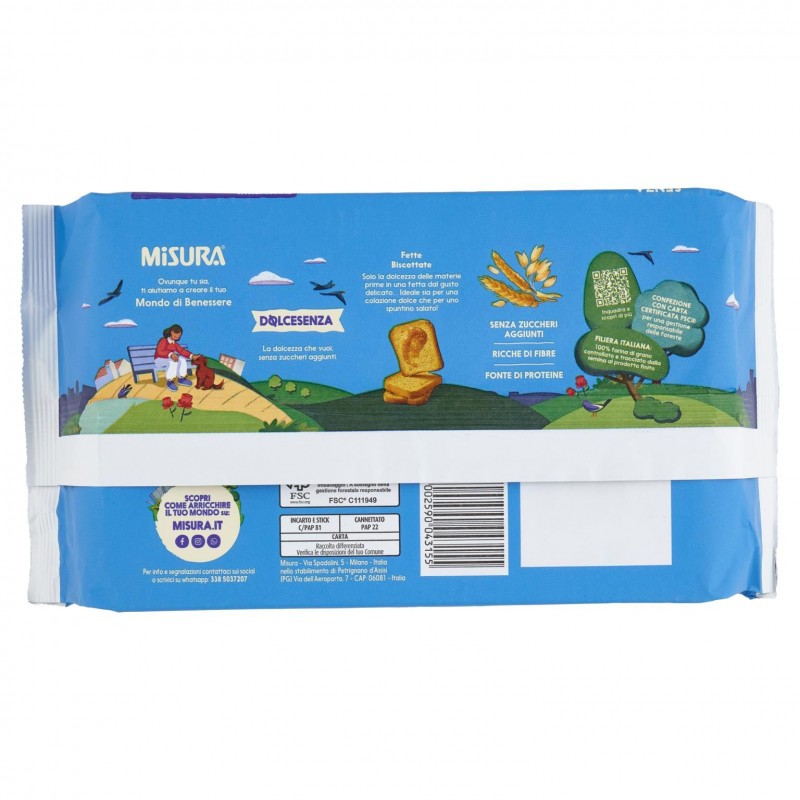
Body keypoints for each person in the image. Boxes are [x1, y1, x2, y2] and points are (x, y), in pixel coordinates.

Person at [155, 324, 198, 392]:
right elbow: (160, 352)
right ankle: (170, 381)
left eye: (179, 336)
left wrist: (192, 356)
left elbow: (182, 351)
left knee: (182, 360)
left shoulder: (174, 343)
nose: (177, 337)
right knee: (172, 361)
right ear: (172, 332)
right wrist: (170, 354)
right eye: (175, 335)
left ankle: (181, 378)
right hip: (159, 360)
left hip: (168, 359)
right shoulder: (163, 340)